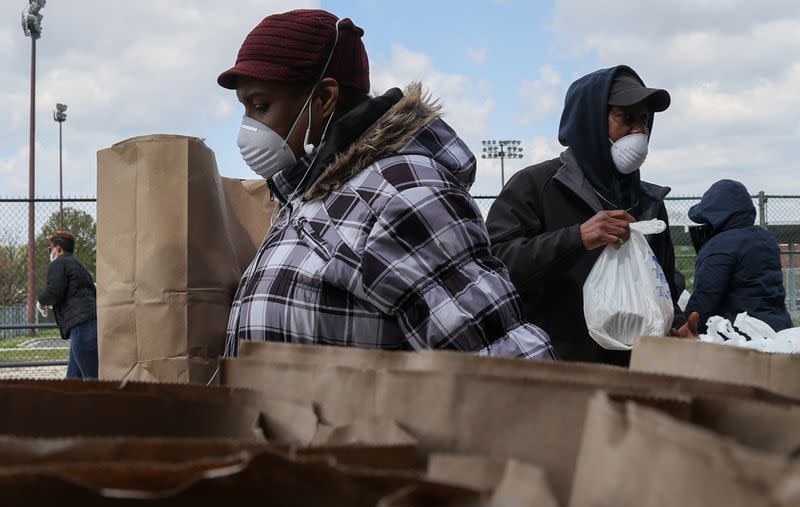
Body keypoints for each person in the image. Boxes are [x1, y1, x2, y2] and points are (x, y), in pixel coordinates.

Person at [218, 9, 554, 360]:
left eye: (260, 105)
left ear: (323, 99)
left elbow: (501, 358)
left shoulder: (402, 193)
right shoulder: (305, 198)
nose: (248, 128)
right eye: (245, 109)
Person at [486, 66, 681, 366]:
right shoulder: (536, 186)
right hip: (556, 372)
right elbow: (495, 267)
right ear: (588, 121)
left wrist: (678, 326)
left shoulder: (649, 202)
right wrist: (576, 238)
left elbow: (665, 282)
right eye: (625, 118)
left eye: (644, 120)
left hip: (636, 373)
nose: (639, 132)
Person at [685, 179, 792, 333]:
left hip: (738, 336)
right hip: (778, 329)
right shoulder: (765, 238)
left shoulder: (719, 246)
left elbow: (705, 298)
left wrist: (687, 325)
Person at [37, 231, 98, 379]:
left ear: (58, 248)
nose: (50, 252)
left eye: (50, 248)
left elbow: (54, 292)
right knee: (73, 379)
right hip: (90, 323)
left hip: (81, 327)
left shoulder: (59, 263)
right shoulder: (78, 266)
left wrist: (41, 301)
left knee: (93, 380)